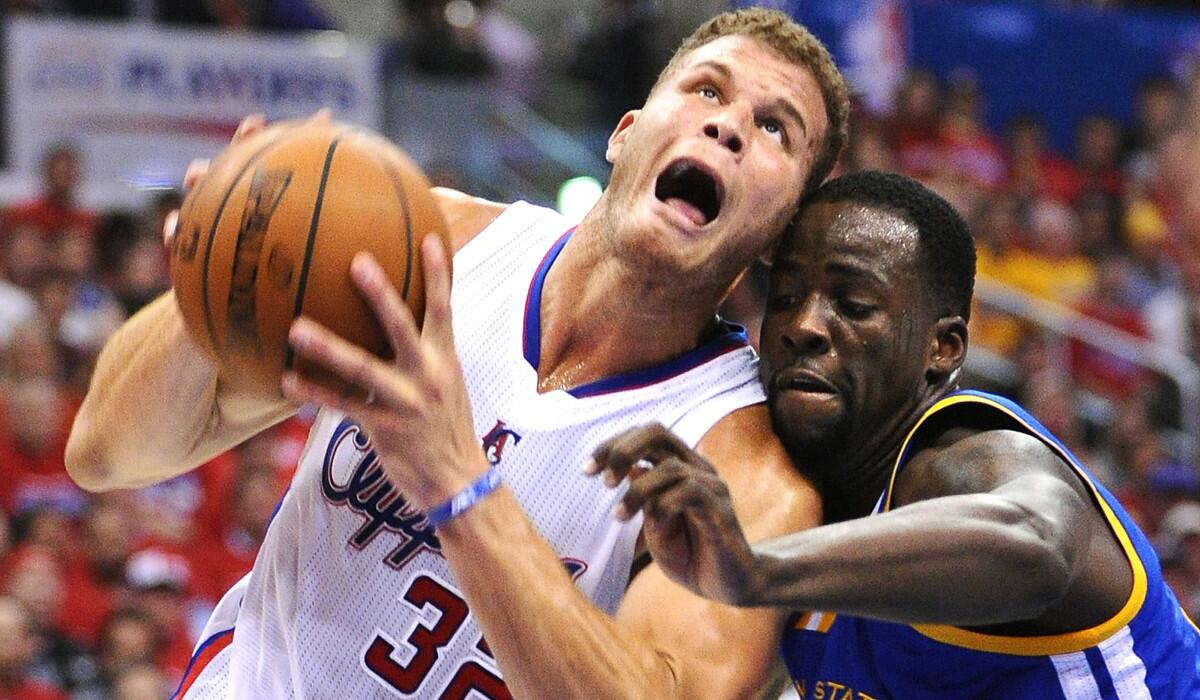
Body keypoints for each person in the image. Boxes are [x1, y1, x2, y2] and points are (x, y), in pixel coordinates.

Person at [66, 8, 850, 698]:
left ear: (781, 232)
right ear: (626, 132)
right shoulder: (430, 242)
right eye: (707, 89)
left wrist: (456, 480)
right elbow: (105, 454)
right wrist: (220, 280)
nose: (729, 124)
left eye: (776, 127)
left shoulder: (749, 482)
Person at [590, 171, 1200, 698]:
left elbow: (1038, 543)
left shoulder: (961, 455)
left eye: (853, 306)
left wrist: (756, 569)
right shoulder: (797, 507)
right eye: (785, 298)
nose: (803, 327)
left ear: (942, 348)